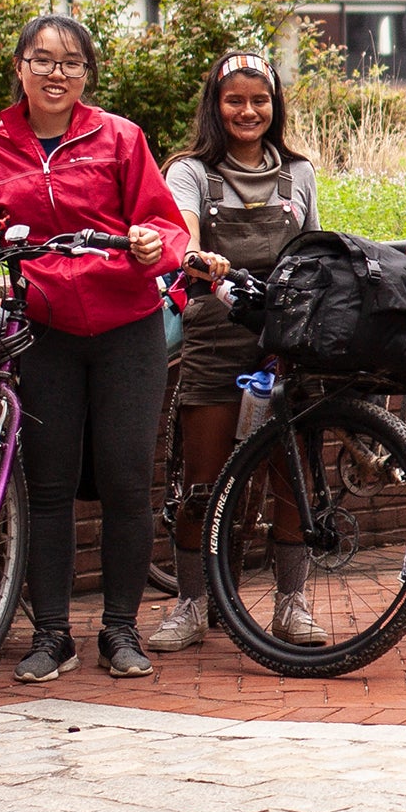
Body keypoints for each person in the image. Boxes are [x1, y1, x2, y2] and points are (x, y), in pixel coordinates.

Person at [0, 15, 185, 682]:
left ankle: (121, 631)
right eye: (43, 59)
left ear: (87, 74)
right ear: (19, 67)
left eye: (71, 62)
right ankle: (53, 635)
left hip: (127, 325)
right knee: (49, 486)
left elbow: (163, 224)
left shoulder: (119, 137)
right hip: (42, 330)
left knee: (125, 481)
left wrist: (151, 243)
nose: (56, 72)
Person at [146, 51, 323, 653]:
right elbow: (180, 234)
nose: (248, 111)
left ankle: (291, 605)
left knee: (288, 475)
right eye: (235, 100)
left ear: (274, 107)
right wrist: (197, 256)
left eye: (260, 100)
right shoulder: (191, 172)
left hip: (283, 336)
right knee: (204, 479)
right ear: (215, 106)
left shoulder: (298, 172)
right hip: (216, 332)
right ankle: (191, 606)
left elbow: (310, 248)